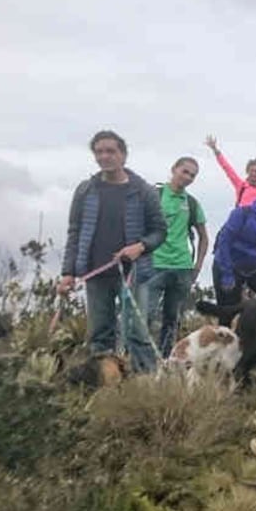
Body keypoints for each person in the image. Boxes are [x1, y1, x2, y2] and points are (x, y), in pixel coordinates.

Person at [58, 130, 165, 373]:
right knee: (99, 334)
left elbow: (159, 231)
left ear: (123, 155)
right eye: (99, 152)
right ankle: (102, 384)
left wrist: (140, 246)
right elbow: (74, 233)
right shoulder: (85, 191)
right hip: (96, 273)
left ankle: (146, 385)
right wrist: (68, 272)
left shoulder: (144, 191)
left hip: (135, 273)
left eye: (111, 151)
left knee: (138, 333)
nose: (105, 156)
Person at [140, 156, 208, 358]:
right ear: (174, 169)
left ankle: (166, 360)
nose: (187, 177)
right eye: (184, 171)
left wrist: (197, 266)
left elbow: (204, 237)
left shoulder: (192, 203)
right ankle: (138, 359)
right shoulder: (154, 194)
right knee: (145, 315)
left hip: (182, 268)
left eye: (192, 175)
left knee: (172, 319)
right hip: (153, 264)